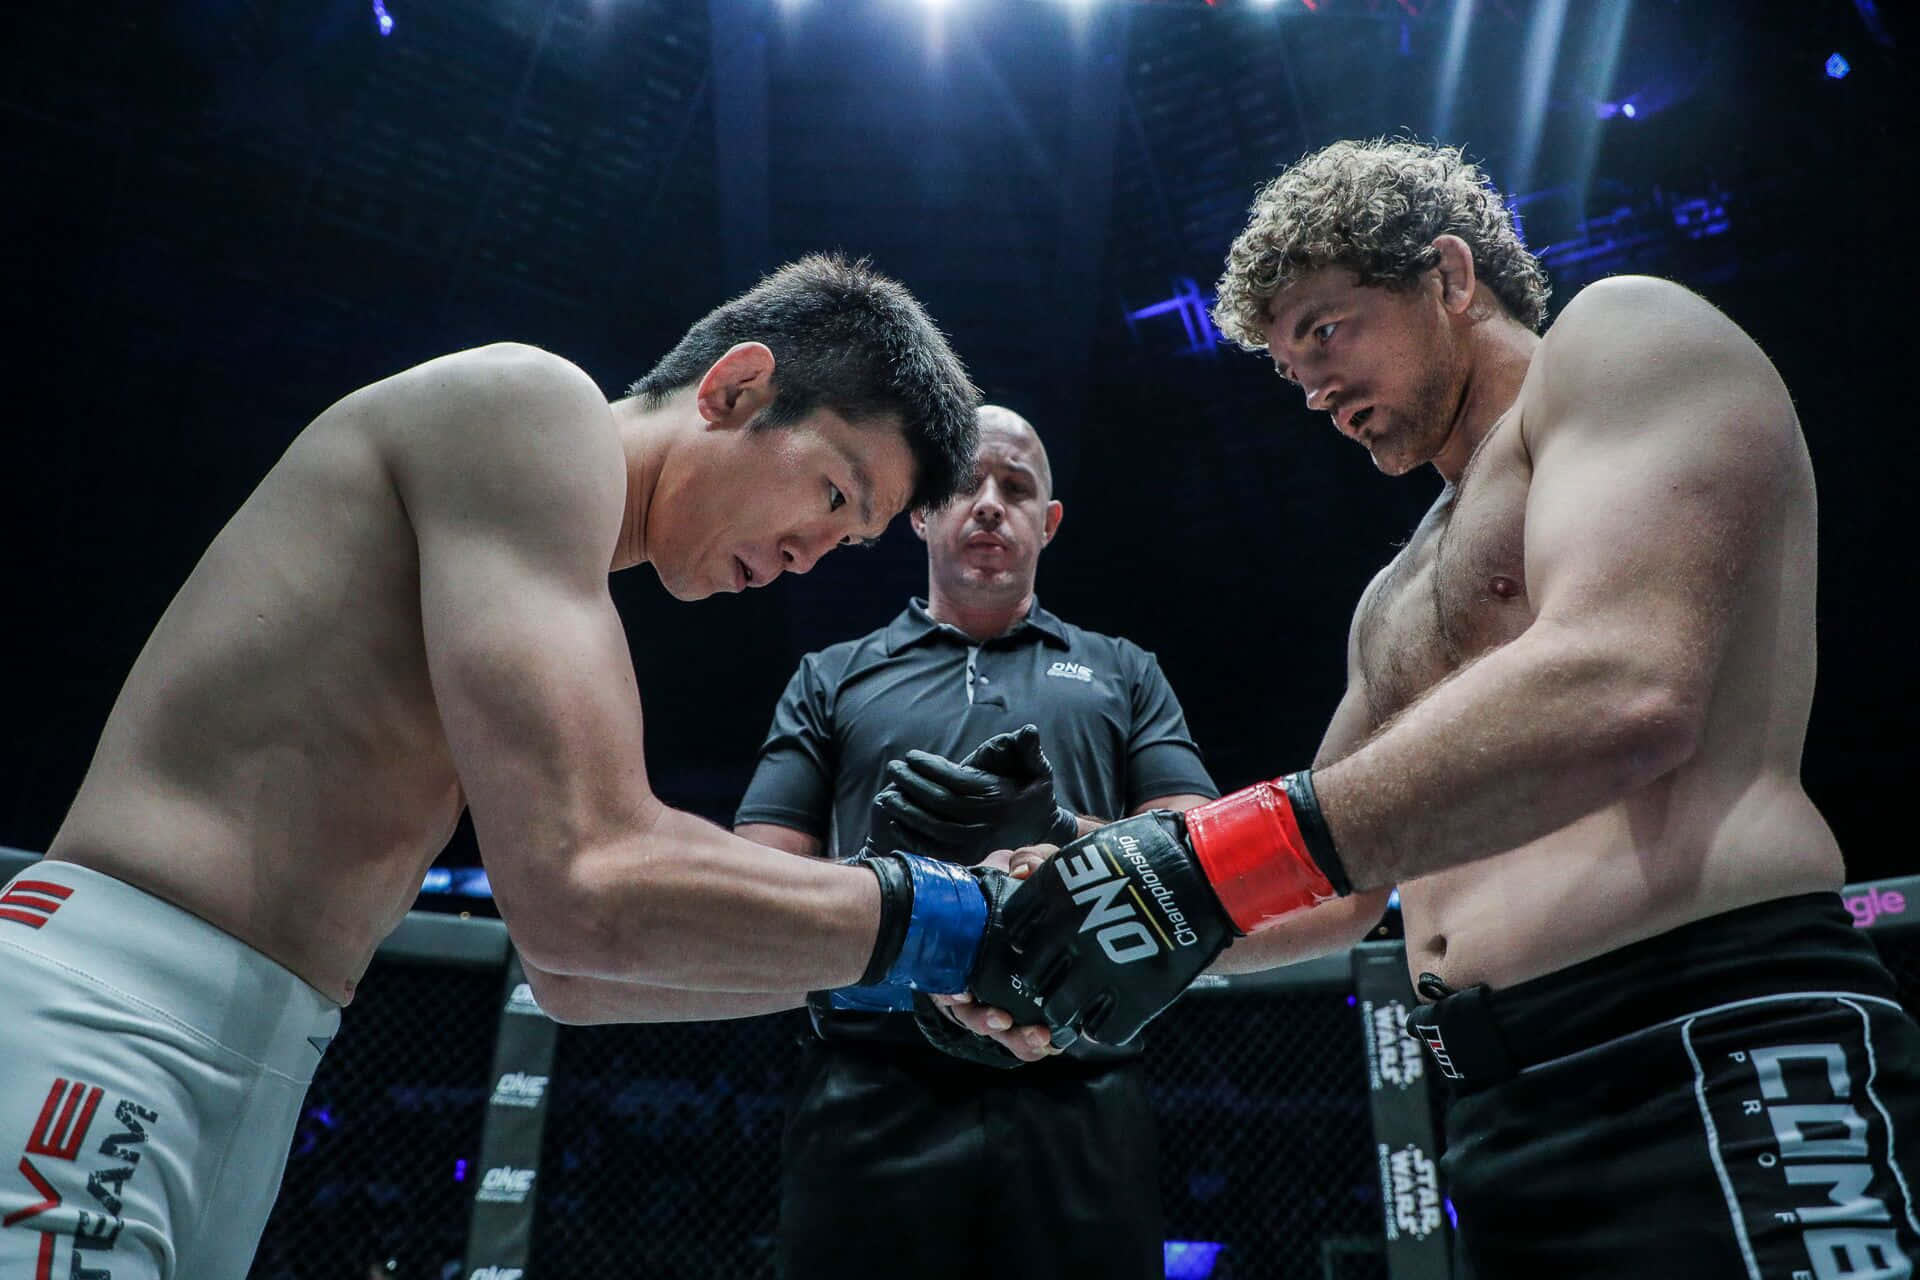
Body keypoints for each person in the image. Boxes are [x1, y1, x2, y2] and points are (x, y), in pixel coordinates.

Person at [943, 140, 1920, 1277]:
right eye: (1286, 363)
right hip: (1500, 1106)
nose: (1311, 385)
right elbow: (1334, 881)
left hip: (1707, 1025)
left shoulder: (1626, 342)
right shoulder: (1396, 591)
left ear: (1450, 277)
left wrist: (1196, 865)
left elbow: (1624, 686)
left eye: (1325, 330)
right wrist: (1083, 884)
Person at [0, 254, 1059, 1279]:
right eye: (834, 493)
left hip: (251, 1059)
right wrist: (959, 920)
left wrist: (906, 963)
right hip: (118, 1005)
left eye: (851, 539)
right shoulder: (530, 405)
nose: (810, 555)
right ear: (735, 388)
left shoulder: (542, 581)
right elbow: (586, 878)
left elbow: (580, 974)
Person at [733, 405, 1220, 1280]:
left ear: (1049, 522)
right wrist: (883, 884)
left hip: (1080, 1080)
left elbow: (1201, 853)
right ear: (919, 510)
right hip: (868, 1078)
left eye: (1017, 488)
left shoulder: (1122, 669)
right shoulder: (832, 676)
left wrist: (1061, 837)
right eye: (965, 484)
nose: (990, 505)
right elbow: (758, 881)